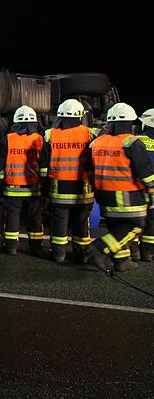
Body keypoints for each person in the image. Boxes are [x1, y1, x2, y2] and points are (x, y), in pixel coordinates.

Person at [86, 104, 154, 273]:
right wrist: (152, 190)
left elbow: (88, 168)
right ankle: (98, 248)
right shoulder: (131, 142)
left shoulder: (97, 142)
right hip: (127, 194)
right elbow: (145, 171)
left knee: (116, 228)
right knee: (135, 226)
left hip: (103, 195)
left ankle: (122, 261)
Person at [38, 98, 97, 264]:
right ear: (80, 116)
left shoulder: (50, 135)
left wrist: (44, 186)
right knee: (81, 222)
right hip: (82, 187)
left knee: (59, 221)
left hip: (59, 187)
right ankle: (82, 254)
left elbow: (43, 164)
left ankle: (59, 254)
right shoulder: (90, 134)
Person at [0, 105, 46, 256]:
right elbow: (44, 166)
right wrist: (43, 183)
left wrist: (1, 181)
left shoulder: (8, 139)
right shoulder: (39, 140)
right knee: (34, 218)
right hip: (33, 188)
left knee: (12, 217)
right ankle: (36, 247)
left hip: (12, 187)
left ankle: (10, 247)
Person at [138, 108, 154, 262]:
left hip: (140, 188)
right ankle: (148, 253)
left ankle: (138, 252)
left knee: (137, 221)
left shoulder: (137, 140)